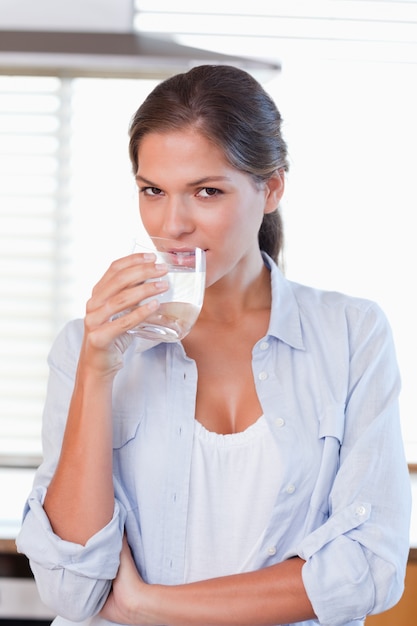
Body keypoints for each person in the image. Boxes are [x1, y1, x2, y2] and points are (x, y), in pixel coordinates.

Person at [16, 64, 411, 626]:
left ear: (271, 187)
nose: (172, 224)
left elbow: (369, 569)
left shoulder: (351, 335)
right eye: (153, 191)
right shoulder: (87, 345)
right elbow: (71, 590)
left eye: (206, 191)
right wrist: (96, 369)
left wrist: (147, 604)